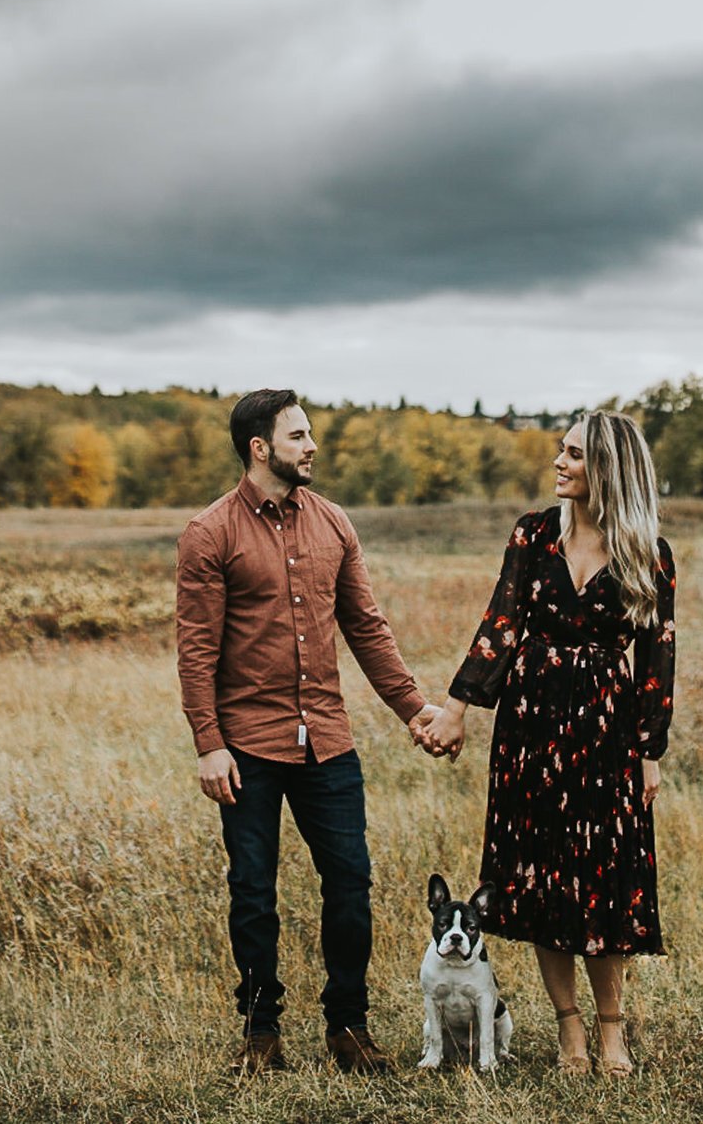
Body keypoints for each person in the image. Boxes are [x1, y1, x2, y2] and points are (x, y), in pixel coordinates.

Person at [176, 388, 448, 1077]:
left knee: (352, 882)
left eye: (310, 433)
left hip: (327, 738)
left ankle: (347, 1028)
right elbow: (197, 648)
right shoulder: (210, 533)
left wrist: (413, 708)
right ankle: (261, 1031)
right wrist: (209, 741)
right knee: (253, 892)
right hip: (246, 746)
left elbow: (366, 625)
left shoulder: (333, 523)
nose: (312, 445)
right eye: (298, 435)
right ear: (260, 447)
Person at [414, 409, 676, 1078]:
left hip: (606, 732)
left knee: (604, 883)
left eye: (574, 454)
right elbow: (500, 622)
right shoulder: (534, 535)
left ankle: (612, 1030)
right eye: (561, 451)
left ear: (608, 469)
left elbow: (657, 657)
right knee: (539, 881)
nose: (558, 461)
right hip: (530, 729)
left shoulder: (648, 552)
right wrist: (457, 709)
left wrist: (649, 750)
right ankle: (571, 1035)